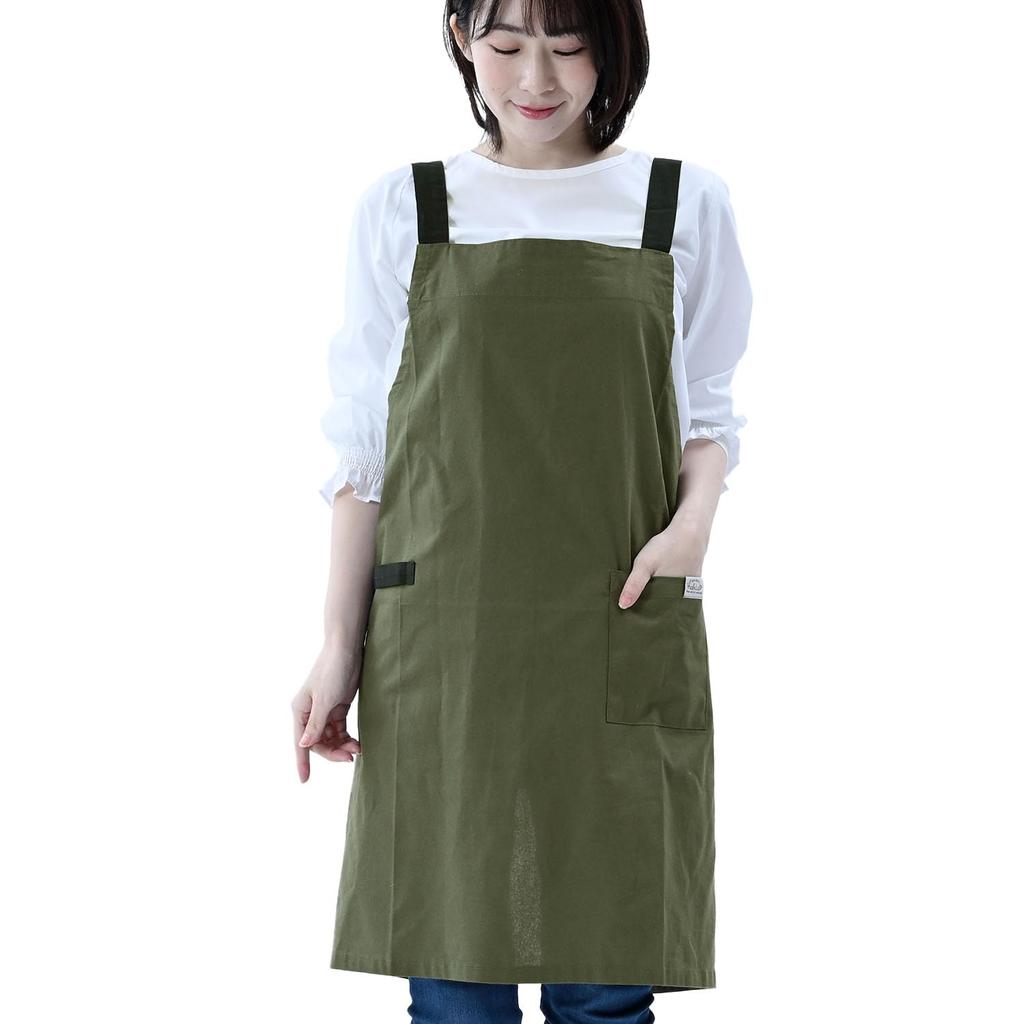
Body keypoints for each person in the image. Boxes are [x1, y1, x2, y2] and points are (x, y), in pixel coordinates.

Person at [291, 1, 753, 1021]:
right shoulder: (407, 208)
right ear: (462, 37)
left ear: (614, 47)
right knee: (456, 993)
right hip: (447, 642)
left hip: (616, 619)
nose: (536, 79)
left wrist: (692, 528)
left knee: (605, 994)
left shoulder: (679, 203)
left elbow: (709, 414)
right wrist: (335, 646)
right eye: (505, 47)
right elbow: (364, 455)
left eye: (568, 46)